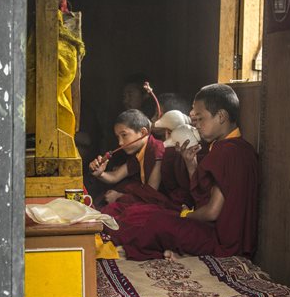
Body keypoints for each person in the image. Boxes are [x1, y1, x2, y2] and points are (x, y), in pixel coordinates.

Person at [104, 83, 259, 261]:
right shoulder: (234, 147)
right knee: (144, 213)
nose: (197, 125)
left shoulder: (228, 152)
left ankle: (175, 254)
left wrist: (185, 215)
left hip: (221, 240)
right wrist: (190, 163)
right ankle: (181, 253)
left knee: (153, 222)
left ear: (221, 116)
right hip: (221, 233)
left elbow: (211, 212)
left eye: (201, 119)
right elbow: (205, 195)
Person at [89, 109, 164, 205]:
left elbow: (151, 193)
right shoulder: (139, 153)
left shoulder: (157, 150)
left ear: (143, 132)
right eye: (118, 137)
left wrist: (120, 197)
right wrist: (100, 173)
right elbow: (115, 176)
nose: (120, 143)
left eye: (124, 135)